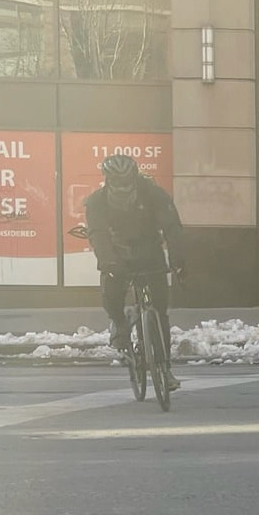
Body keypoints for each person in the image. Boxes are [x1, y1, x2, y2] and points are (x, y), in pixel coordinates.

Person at [87, 153, 184, 392]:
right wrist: (108, 261)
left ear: (135, 177)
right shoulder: (97, 201)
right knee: (112, 291)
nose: (122, 187)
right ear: (107, 180)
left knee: (160, 312)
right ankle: (119, 323)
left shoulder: (153, 194)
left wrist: (177, 258)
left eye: (126, 181)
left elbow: (172, 226)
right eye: (116, 182)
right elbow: (98, 234)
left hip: (149, 251)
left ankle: (165, 368)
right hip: (117, 252)